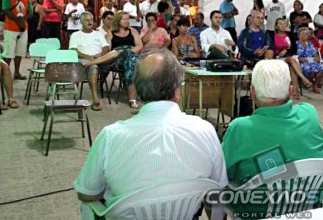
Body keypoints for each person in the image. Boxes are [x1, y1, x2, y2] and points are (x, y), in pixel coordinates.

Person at [74, 50, 227, 212]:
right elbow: (217, 191)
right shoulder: (206, 131)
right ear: (177, 91)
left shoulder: (110, 136)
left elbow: (86, 193)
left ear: (138, 90)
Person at [221, 59, 323, 217]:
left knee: (210, 189)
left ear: (252, 93)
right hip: (307, 204)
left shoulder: (240, 127)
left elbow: (223, 173)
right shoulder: (309, 113)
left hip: (256, 210)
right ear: (290, 90)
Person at [85, 11, 142, 109]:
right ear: (118, 20)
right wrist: (122, 52)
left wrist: (128, 52)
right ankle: (132, 99)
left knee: (129, 59)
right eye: (124, 19)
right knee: (118, 52)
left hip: (132, 56)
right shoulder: (110, 33)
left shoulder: (133, 31)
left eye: (128, 19)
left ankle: (90, 63)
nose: (127, 21)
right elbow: (108, 49)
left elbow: (139, 45)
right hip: (117, 59)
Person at [69, 12, 109, 111]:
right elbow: (73, 50)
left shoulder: (98, 34)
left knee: (108, 58)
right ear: (81, 22)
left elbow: (106, 47)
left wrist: (100, 55)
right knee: (93, 68)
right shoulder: (76, 35)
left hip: (100, 60)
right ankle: (95, 99)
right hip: (83, 61)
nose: (90, 22)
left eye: (91, 20)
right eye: (87, 20)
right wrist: (88, 57)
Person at [1, 0, 33, 80]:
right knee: (8, 53)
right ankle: (5, 73)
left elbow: (30, 12)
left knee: (20, 52)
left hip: (23, 29)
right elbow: (6, 11)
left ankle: (17, 72)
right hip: (10, 28)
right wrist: (18, 20)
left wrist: (22, 20)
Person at [273, 17, 311, 98]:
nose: (283, 26)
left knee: (292, 67)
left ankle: (295, 92)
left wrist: (286, 50)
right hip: (278, 58)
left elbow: (294, 49)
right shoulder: (273, 36)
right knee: (291, 60)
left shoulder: (290, 35)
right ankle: (303, 79)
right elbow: (272, 49)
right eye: (281, 24)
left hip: (290, 57)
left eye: (284, 24)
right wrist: (280, 52)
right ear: (276, 26)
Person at [296, 27, 323, 93]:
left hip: (312, 61)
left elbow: (315, 53)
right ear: (299, 35)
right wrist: (299, 58)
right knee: (309, 69)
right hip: (301, 62)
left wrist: (316, 57)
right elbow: (293, 55)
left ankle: (315, 85)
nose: (305, 35)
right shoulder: (296, 44)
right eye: (303, 33)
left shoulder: (310, 44)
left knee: (320, 68)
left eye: (306, 34)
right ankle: (308, 82)